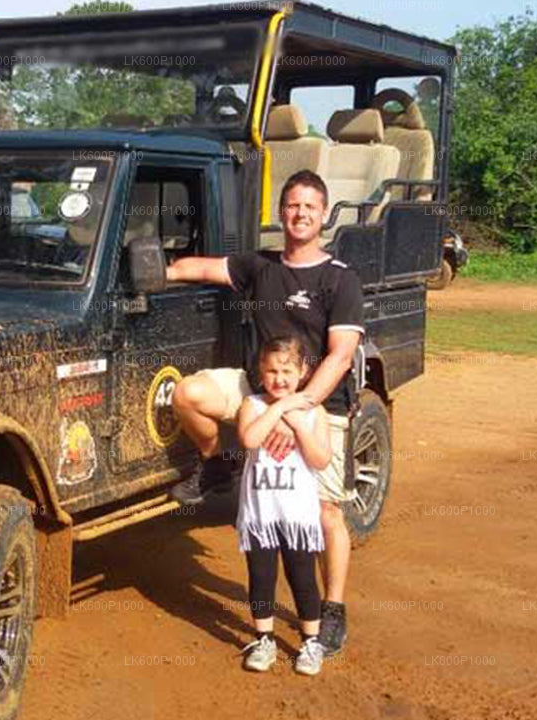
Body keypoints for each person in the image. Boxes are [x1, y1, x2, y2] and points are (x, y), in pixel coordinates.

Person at [164, 170, 363, 656]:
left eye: (309, 207)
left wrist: (299, 409)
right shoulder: (261, 265)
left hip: (317, 403)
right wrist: (157, 269)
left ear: (324, 215)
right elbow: (205, 269)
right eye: (292, 205)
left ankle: (332, 607)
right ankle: (218, 464)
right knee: (186, 394)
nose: (299, 214)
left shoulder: (340, 279)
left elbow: (340, 355)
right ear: (281, 212)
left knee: (324, 511)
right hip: (258, 393)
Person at [236, 336, 332, 675]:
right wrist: (277, 408)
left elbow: (321, 459)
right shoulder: (253, 405)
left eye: (287, 371)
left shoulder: (313, 412)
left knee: (302, 577)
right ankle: (263, 639)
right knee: (261, 576)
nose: (279, 378)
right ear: (261, 372)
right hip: (261, 514)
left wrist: (295, 421)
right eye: (272, 371)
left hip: (297, 517)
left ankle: (311, 641)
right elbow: (249, 439)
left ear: (303, 371)